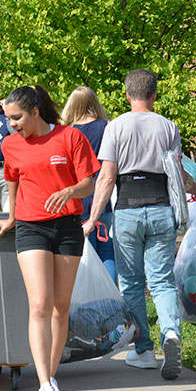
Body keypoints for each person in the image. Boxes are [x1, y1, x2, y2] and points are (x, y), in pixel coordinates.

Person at [83, 69, 196, 381]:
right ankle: (171, 334)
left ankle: (143, 348)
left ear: (127, 95)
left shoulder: (115, 127)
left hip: (127, 211)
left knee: (131, 283)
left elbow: (107, 178)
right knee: (163, 282)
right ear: (154, 95)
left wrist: (93, 217)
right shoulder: (168, 126)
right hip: (161, 210)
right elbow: (177, 175)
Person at [0, 85, 100, 391]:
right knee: (39, 303)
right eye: (9, 118)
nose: (12, 124)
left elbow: (89, 183)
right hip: (31, 226)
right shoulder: (11, 144)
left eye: (17, 117)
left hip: (67, 227)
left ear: (35, 111)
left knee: (60, 308)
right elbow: (12, 178)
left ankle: (51, 378)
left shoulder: (70, 138)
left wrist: (69, 191)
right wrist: (11, 215)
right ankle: (42, 385)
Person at [61, 86, 116, 284]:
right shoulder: (107, 126)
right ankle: (111, 299)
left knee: (85, 252)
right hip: (104, 195)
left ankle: (88, 300)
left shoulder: (68, 131)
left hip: (80, 197)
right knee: (107, 252)